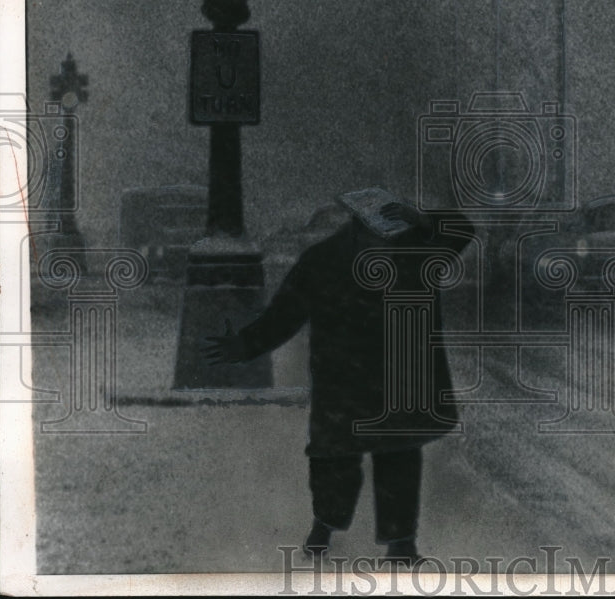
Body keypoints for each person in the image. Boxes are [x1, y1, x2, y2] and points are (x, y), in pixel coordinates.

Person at [203, 190, 473, 564]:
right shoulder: (324, 260)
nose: (386, 241)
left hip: (396, 380)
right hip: (345, 377)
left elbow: (462, 230)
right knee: (334, 459)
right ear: (359, 229)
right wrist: (244, 346)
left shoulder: (415, 250)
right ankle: (324, 529)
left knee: (397, 461)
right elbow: (285, 315)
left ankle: (400, 546)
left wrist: (424, 219)